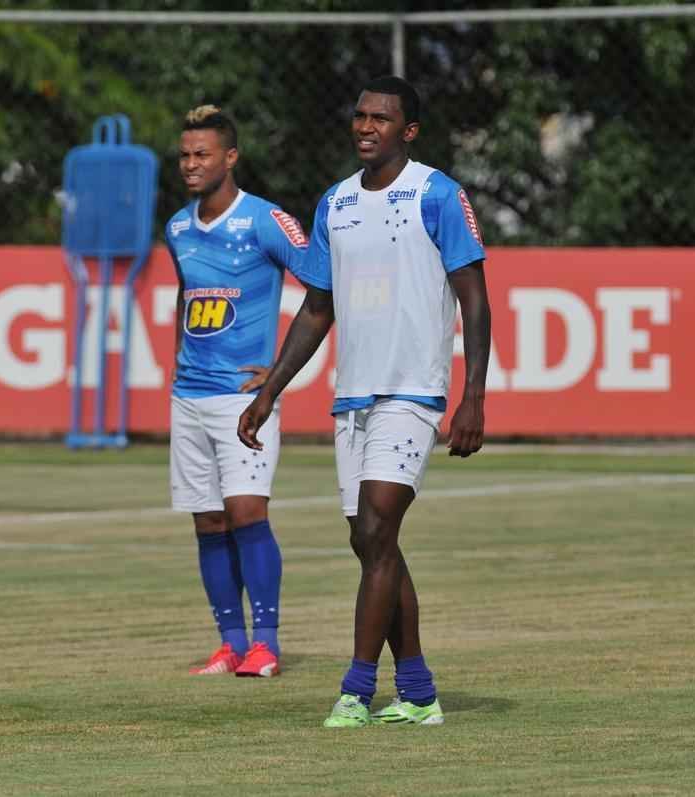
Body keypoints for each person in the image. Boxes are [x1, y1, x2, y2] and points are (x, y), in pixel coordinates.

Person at [238, 76, 492, 726]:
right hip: (351, 396)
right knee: (370, 541)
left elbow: (474, 296)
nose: (366, 126)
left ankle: (356, 687)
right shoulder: (334, 204)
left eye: (382, 117)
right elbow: (316, 308)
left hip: (412, 391)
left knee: (379, 527)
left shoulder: (437, 194)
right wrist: (270, 391)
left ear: (410, 131)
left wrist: (473, 398)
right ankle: (420, 690)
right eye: (359, 115)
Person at [165, 105, 311, 678]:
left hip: (243, 399)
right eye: (184, 155)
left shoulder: (268, 221)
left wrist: (275, 377)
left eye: (202, 155)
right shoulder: (177, 227)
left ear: (230, 157)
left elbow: (320, 289)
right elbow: (186, 296)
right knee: (207, 522)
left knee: (247, 511)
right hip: (189, 396)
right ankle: (229, 643)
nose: (191, 165)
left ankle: (266, 644)